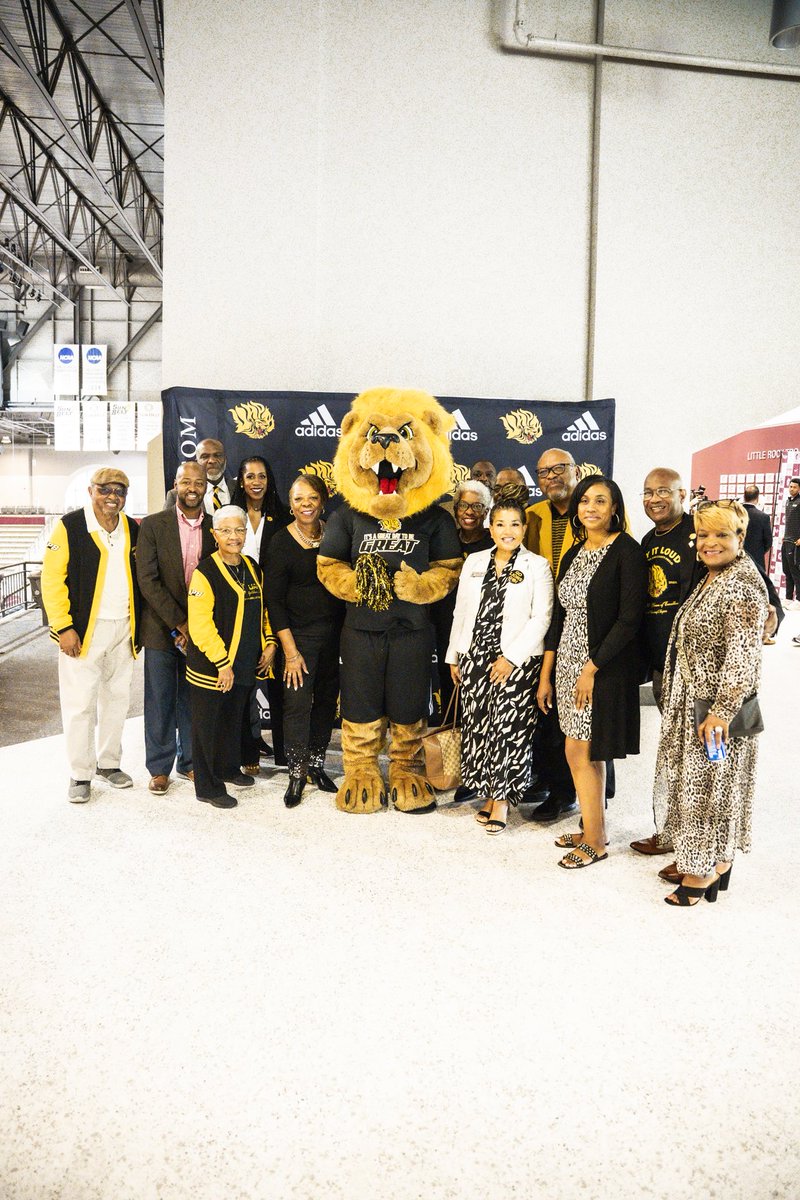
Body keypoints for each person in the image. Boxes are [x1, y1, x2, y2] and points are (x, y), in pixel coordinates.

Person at [652, 500, 768, 906]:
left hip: (715, 710)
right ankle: (710, 858)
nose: (710, 543)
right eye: (703, 535)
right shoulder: (714, 575)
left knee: (709, 789)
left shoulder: (741, 584)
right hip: (694, 702)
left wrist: (721, 711)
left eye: (721, 534)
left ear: (741, 537)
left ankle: (701, 873)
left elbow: (743, 656)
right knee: (697, 786)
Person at [537, 475, 646, 868]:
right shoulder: (574, 552)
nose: (591, 508)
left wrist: (591, 668)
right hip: (567, 662)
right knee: (579, 750)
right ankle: (591, 829)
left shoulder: (627, 553)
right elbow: (560, 617)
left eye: (601, 501)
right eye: (585, 500)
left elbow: (629, 620)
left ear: (615, 507)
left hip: (599, 667)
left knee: (582, 750)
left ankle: (596, 840)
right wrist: (548, 673)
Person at [446, 497, 553, 834]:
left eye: (515, 524)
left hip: (516, 662)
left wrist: (511, 659)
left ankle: (504, 800)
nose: (508, 531)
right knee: (480, 728)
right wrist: (454, 654)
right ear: (490, 528)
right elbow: (461, 611)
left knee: (510, 730)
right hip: (474, 657)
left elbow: (542, 618)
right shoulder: (474, 562)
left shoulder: (537, 566)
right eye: (501, 524)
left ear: (524, 528)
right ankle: (489, 794)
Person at [41, 467, 141, 803]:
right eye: (105, 490)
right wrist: (63, 627)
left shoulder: (131, 527)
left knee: (117, 700)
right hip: (83, 631)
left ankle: (109, 764)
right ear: (91, 491)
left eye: (119, 491)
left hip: (123, 628)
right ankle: (80, 773)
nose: (113, 497)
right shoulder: (69, 526)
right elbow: (52, 580)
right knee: (79, 704)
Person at [630, 467, 703, 858]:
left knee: (699, 759)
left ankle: (696, 847)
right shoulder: (646, 539)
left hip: (694, 667)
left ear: (682, 493)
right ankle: (672, 832)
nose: (654, 499)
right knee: (673, 755)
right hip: (663, 666)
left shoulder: (699, 531)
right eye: (647, 493)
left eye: (663, 491)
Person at [186, 505, 277, 809]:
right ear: (214, 535)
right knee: (207, 727)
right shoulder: (205, 572)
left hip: (244, 664)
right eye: (225, 530)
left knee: (230, 721)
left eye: (239, 530)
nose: (233, 536)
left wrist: (268, 642)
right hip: (213, 667)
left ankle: (227, 769)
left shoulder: (252, 566)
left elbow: (261, 610)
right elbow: (200, 625)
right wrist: (222, 663)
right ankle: (208, 787)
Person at [264, 474, 344, 808]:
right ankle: (296, 773)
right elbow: (274, 602)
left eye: (311, 498)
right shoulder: (281, 542)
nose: (305, 505)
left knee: (326, 701)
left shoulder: (335, 535)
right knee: (297, 706)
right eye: (298, 499)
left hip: (335, 636)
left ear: (323, 500)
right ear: (290, 503)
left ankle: (315, 765)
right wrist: (291, 652)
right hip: (298, 639)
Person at [136, 461, 215, 794]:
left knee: (193, 699)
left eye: (198, 482)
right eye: (186, 482)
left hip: (202, 631)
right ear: (175, 485)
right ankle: (159, 767)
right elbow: (148, 581)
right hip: (160, 629)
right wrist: (181, 622)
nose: (192, 488)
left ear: (206, 486)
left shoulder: (217, 527)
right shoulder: (153, 525)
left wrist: (197, 626)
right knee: (160, 699)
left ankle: (190, 762)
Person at [523, 448, 581, 822]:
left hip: (581, 622)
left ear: (576, 471)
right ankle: (550, 782)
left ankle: (571, 790)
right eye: (544, 472)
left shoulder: (594, 510)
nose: (551, 477)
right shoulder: (532, 517)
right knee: (544, 708)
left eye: (559, 469)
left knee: (575, 712)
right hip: (543, 619)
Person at [230, 455, 290, 773]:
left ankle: (282, 752)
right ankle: (247, 750)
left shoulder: (280, 517)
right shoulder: (231, 515)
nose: (256, 482)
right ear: (241, 480)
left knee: (280, 683)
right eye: (250, 476)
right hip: (239, 608)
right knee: (242, 683)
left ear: (269, 481)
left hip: (276, 606)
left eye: (262, 476)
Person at [432, 478, 494, 732]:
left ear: (487, 512)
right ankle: (451, 759)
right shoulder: (443, 540)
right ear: (455, 509)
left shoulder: (496, 542)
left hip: (484, 631)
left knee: (481, 694)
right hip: (446, 626)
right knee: (450, 689)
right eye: (464, 506)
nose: (469, 512)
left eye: (477, 506)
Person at [165, 438, 235, 513]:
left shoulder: (240, 488)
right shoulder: (175, 494)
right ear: (197, 462)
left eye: (217, 455)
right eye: (205, 456)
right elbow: (167, 522)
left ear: (225, 459)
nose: (212, 461)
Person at [780, 478, 800, 609]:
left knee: (795, 571)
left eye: (794, 487)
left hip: (795, 542)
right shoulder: (788, 501)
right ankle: (788, 598)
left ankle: (798, 600)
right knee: (786, 570)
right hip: (786, 540)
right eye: (790, 486)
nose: (791, 489)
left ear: (799, 489)